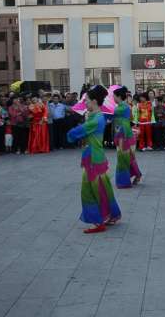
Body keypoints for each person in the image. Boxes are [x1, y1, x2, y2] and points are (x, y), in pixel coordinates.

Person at [67, 85, 121, 234]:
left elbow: (73, 134)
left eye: (87, 101)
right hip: (96, 156)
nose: (85, 103)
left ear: (95, 101)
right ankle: (112, 214)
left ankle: (98, 221)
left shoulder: (96, 119)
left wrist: (74, 130)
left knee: (89, 191)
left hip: (93, 158)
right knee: (104, 188)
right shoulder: (97, 116)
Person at [113, 86, 142, 188]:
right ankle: (137, 175)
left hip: (123, 135)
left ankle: (123, 182)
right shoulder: (124, 106)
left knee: (123, 158)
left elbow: (120, 121)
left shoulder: (121, 107)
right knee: (128, 157)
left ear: (118, 97)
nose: (113, 98)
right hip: (124, 133)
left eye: (114, 97)